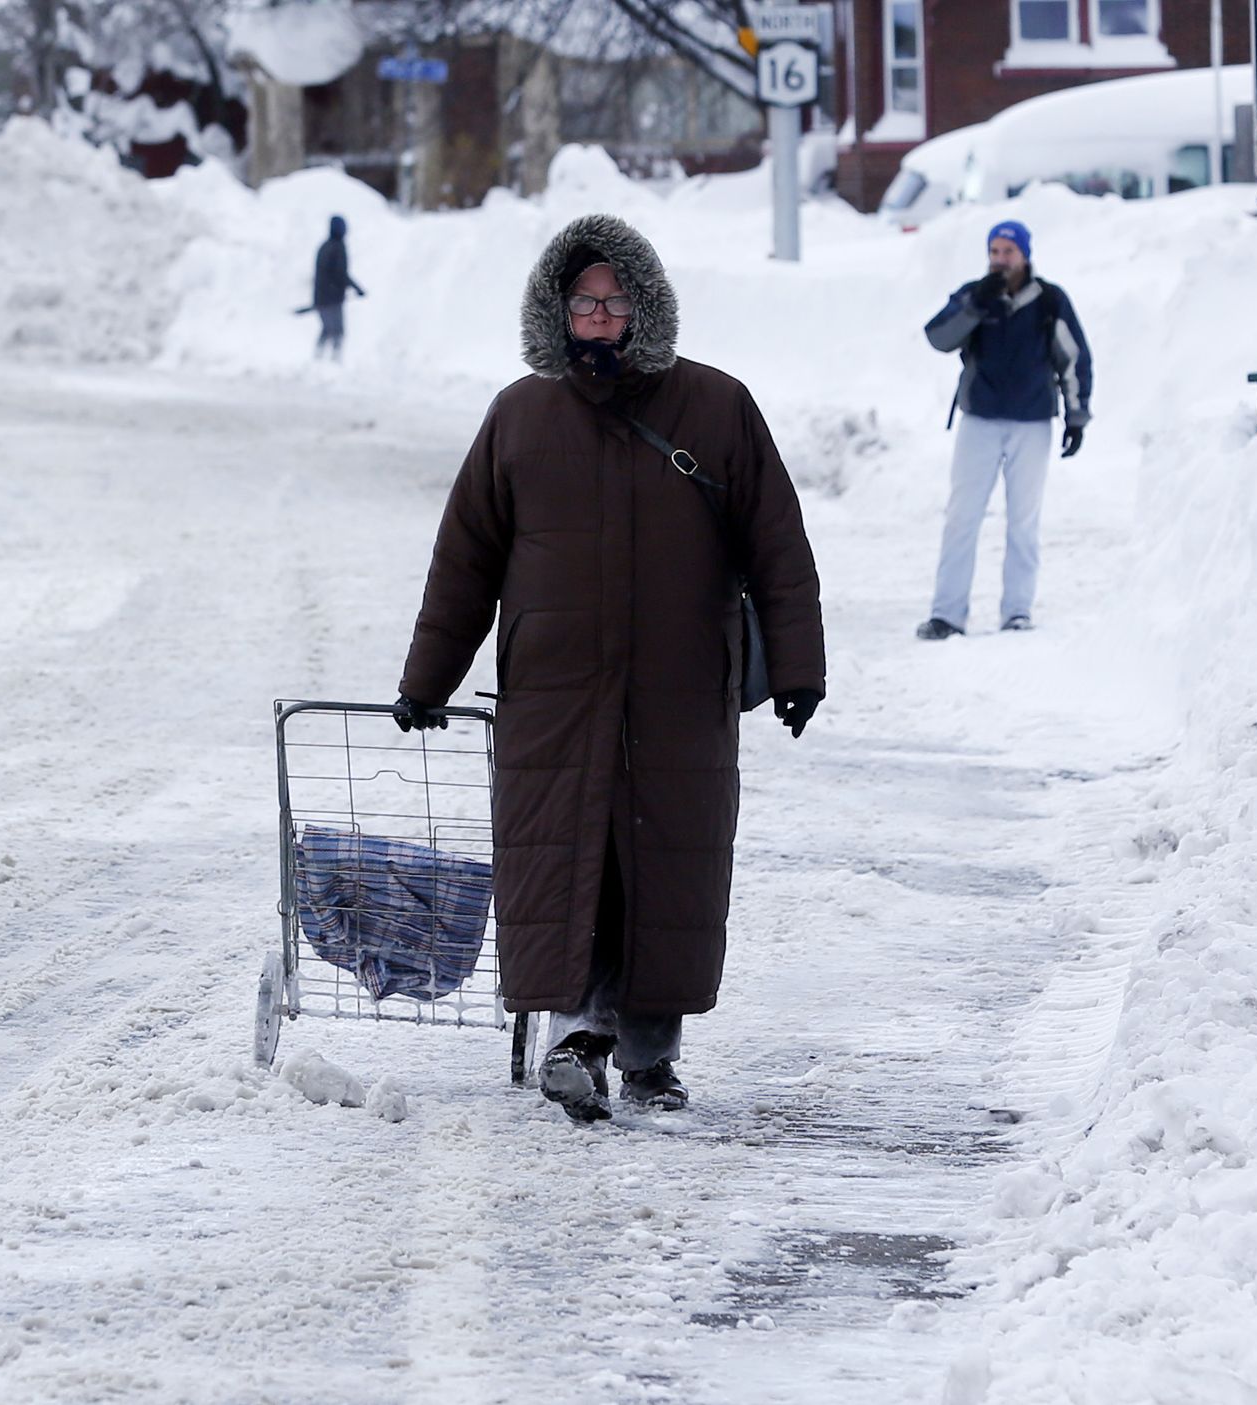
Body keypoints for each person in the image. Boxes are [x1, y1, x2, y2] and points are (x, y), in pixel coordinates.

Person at [392, 214, 826, 1124]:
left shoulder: (716, 406)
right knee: (573, 865)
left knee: (663, 871)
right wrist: (426, 679)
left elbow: (777, 544)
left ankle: (649, 1057)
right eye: (584, 303)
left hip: (676, 693)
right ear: (558, 310)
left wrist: (798, 667)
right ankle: (579, 1037)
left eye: (615, 302)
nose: (599, 318)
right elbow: (465, 558)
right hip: (558, 696)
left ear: (645, 308)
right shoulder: (520, 415)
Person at [914, 219, 1092, 640]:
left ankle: (1017, 610)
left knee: (1023, 520)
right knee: (962, 517)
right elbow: (938, 337)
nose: (1000, 259)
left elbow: (1074, 358)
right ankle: (947, 613)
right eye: (994, 251)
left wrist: (1077, 416)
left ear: (1025, 255)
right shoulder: (975, 296)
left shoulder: (1049, 301)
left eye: (1008, 252)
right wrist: (975, 304)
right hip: (979, 419)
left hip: (1031, 423)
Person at [311, 215, 364, 360]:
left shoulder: (324, 246)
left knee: (327, 329)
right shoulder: (338, 248)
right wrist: (357, 288)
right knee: (337, 331)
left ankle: (318, 357)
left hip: (321, 296)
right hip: (332, 298)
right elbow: (340, 274)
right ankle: (334, 360)